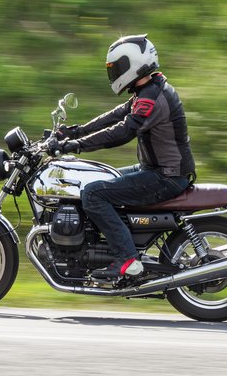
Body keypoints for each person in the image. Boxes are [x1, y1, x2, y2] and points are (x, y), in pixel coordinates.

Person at [49, 34, 196, 279]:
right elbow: (114, 116)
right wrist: (74, 131)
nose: (114, 73)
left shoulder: (151, 97)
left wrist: (74, 145)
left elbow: (123, 131)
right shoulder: (147, 90)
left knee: (93, 194)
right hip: (157, 170)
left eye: (117, 67)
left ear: (133, 63)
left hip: (166, 177)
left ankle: (127, 259)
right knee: (99, 180)